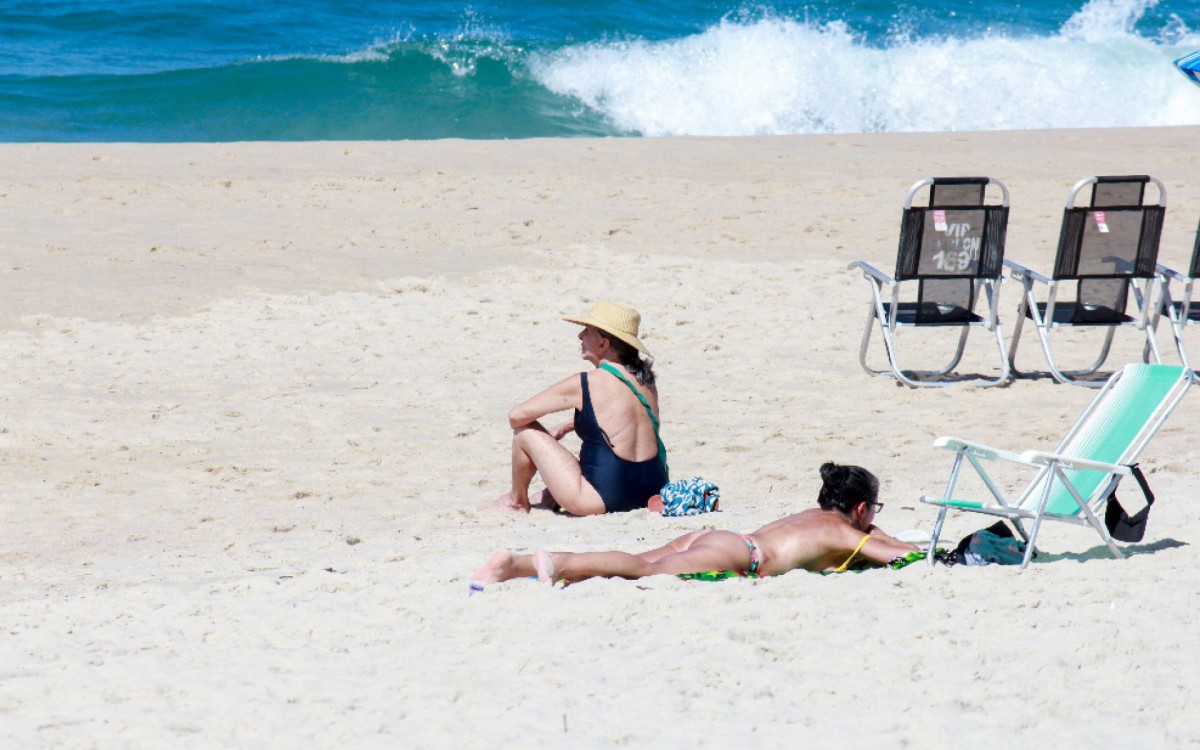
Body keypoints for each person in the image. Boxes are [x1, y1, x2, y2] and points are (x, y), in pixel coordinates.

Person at [474, 462, 919, 585]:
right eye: (875, 508)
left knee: (636, 559)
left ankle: (519, 566)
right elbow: (903, 556)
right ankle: (550, 561)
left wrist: (873, 529)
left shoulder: (813, 517)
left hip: (724, 537)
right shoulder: (846, 532)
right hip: (741, 555)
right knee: (641, 570)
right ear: (861, 508)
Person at [492, 300, 668, 516]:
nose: (580, 336)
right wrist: (568, 425)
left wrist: (547, 432)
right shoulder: (646, 383)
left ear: (603, 344)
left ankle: (517, 502)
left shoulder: (586, 383)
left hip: (604, 499)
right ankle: (549, 496)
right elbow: (623, 422)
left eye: (587, 331)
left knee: (525, 433)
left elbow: (516, 416)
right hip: (652, 493)